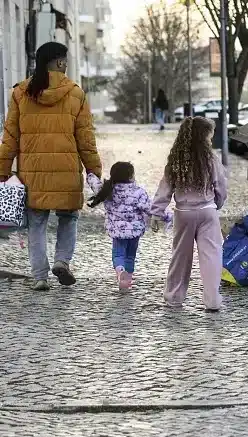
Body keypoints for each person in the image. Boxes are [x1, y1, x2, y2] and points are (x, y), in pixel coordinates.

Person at [0, 41, 102, 291]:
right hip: (66, 170)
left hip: (33, 172)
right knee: (68, 217)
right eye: (64, 60)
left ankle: (40, 276)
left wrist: (2, 171)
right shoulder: (75, 93)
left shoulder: (20, 93)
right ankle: (62, 261)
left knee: (36, 222)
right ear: (57, 62)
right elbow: (85, 138)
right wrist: (93, 170)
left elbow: (10, 136)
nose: (66, 65)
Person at [150, 116, 227, 311]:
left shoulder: (176, 160)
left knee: (180, 256)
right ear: (203, 136)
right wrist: (216, 204)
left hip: (183, 213)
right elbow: (221, 186)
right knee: (211, 256)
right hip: (207, 211)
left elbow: (165, 188)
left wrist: (156, 212)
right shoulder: (210, 159)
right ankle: (212, 300)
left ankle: (174, 297)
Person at [86, 162, 162, 291]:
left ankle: (121, 273)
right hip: (135, 231)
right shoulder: (138, 192)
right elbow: (149, 208)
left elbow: (94, 183)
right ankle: (128, 280)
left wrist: (90, 172)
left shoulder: (107, 190)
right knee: (130, 256)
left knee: (118, 255)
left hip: (117, 231)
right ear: (131, 176)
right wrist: (167, 216)